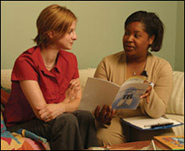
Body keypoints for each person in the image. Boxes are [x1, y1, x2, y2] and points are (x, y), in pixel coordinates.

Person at [3, 4, 99, 150]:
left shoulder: (70, 59)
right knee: (66, 120)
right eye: (70, 32)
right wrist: (66, 102)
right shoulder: (25, 62)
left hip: (53, 120)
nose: (75, 37)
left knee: (85, 117)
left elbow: (79, 103)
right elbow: (42, 114)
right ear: (51, 33)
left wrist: (61, 106)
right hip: (23, 124)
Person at [93, 10, 174, 146]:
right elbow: (95, 103)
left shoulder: (162, 67)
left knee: (165, 139)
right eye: (126, 33)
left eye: (136, 35)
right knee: (105, 137)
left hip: (147, 121)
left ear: (151, 39)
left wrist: (150, 94)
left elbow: (158, 112)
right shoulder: (107, 63)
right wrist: (102, 114)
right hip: (115, 121)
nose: (129, 39)